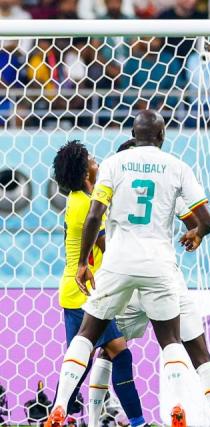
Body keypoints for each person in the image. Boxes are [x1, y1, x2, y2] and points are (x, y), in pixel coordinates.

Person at [46, 110, 210, 427]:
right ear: (162, 137)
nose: (97, 161)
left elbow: (100, 222)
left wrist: (87, 261)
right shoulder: (175, 168)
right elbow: (204, 221)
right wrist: (195, 233)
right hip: (142, 270)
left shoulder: (102, 179)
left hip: (106, 275)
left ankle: (64, 410)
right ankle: (155, 414)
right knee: (164, 342)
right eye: (91, 160)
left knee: (95, 347)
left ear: (135, 136)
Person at [111, 139, 210, 427]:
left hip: (125, 281)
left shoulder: (112, 187)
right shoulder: (165, 186)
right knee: (197, 351)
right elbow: (197, 224)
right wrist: (196, 235)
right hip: (165, 277)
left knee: (109, 347)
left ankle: (98, 413)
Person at [51, 141, 146, 427]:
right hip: (85, 291)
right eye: (92, 159)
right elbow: (109, 247)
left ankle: (58, 412)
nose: (97, 161)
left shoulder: (78, 199)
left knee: (81, 363)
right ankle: (138, 421)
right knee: (119, 351)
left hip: (75, 290)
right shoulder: (87, 207)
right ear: (85, 174)